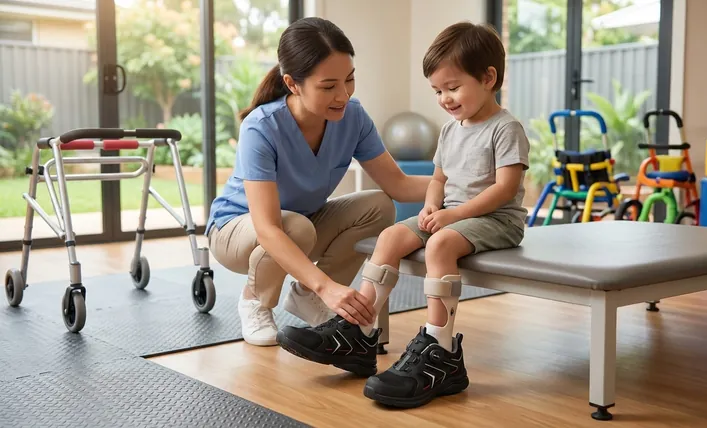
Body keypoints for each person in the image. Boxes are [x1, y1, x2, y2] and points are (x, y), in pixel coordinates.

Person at [276, 21, 530, 408]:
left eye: (453, 87)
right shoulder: (450, 130)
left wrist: (450, 215)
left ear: (488, 77)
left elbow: (504, 190)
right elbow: (438, 179)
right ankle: (360, 330)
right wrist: (432, 205)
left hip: (497, 220)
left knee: (441, 244)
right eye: (437, 91)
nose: (444, 98)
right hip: (452, 215)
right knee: (391, 236)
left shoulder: (504, 128)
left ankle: (440, 349)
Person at [205, 17, 431, 347]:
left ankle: (307, 297)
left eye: (349, 80)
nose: (343, 94)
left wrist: (463, 183)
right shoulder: (262, 127)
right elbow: (267, 228)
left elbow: (398, 185)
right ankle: (255, 300)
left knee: (378, 206)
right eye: (328, 86)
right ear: (293, 83)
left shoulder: (353, 117)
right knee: (293, 227)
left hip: (302, 225)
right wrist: (328, 286)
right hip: (235, 232)